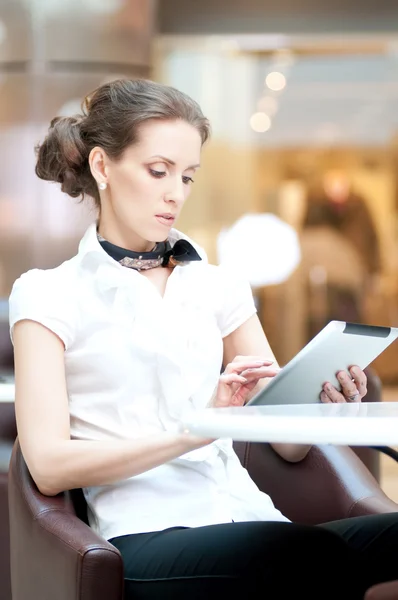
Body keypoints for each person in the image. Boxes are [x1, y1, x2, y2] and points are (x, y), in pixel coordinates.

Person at [8, 78, 398, 600]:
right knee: (311, 555)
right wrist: (194, 431)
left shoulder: (218, 285)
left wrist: (318, 400)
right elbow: (49, 466)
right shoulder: (47, 294)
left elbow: (286, 442)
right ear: (102, 167)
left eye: (187, 176)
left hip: (253, 515)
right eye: (158, 171)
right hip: (145, 533)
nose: (176, 193)